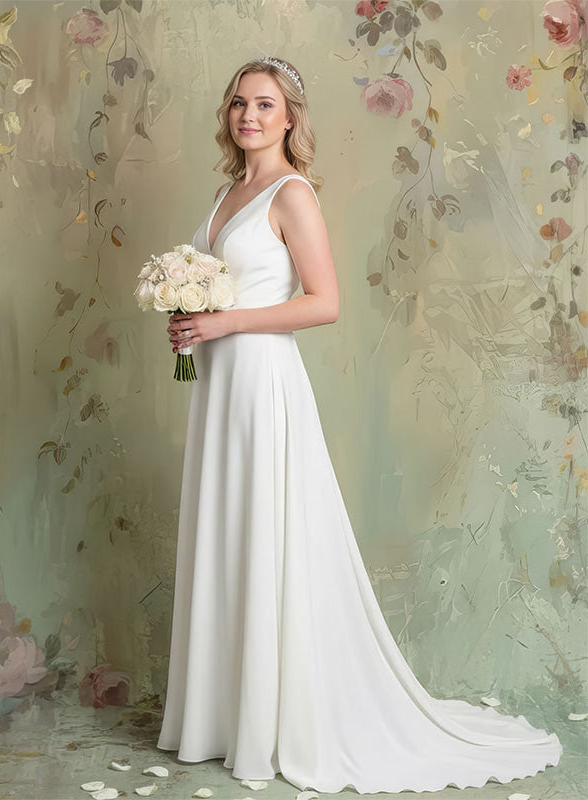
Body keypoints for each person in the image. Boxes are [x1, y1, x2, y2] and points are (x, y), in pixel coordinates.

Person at [156, 56, 563, 794]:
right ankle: (222, 717)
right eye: (240, 103)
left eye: (266, 105)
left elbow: (326, 302)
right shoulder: (226, 192)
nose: (249, 115)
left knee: (264, 534)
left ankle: (274, 724)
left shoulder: (291, 193)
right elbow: (218, 289)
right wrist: (189, 326)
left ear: (289, 118)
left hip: (261, 386)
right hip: (219, 386)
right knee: (226, 531)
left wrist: (225, 322)